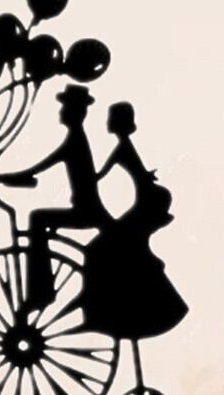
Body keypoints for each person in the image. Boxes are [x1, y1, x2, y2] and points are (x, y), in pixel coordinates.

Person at [0, 84, 111, 313]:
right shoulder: (76, 138)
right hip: (86, 209)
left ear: (75, 112)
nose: (61, 112)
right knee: (39, 220)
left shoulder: (75, 140)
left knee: (38, 219)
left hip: (87, 212)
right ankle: (41, 291)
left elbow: (42, 166)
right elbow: (41, 169)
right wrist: (15, 178)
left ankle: (41, 292)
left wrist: (11, 177)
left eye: (65, 107)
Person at [77, 102, 189, 339]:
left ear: (117, 123)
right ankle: (114, 309)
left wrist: (78, 169)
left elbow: (96, 177)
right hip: (149, 203)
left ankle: (102, 312)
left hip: (146, 207)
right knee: (120, 250)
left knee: (99, 249)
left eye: (111, 118)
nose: (107, 122)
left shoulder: (122, 148)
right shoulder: (126, 146)